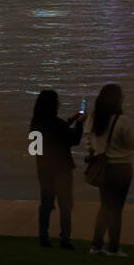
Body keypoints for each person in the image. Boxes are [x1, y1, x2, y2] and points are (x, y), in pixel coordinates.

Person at [85, 83, 134, 257]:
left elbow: (88, 142)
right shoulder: (122, 120)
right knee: (116, 210)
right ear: (116, 100)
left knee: (105, 207)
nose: (123, 98)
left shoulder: (93, 118)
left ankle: (96, 245)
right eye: (121, 96)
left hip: (102, 167)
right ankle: (114, 248)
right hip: (121, 168)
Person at [30, 89, 85, 249]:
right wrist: (80, 123)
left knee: (46, 204)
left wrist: (71, 120)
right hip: (62, 170)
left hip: (44, 171)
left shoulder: (35, 124)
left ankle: (43, 237)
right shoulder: (57, 124)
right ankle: (65, 239)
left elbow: (35, 149)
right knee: (65, 205)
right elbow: (73, 139)